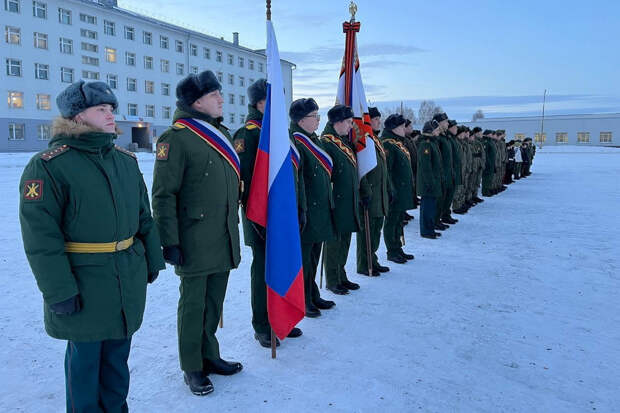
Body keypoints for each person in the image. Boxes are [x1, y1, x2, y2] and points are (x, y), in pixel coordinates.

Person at [19, 80, 165, 412]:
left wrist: (152, 259)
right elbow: (40, 237)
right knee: (84, 366)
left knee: (117, 361)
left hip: (125, 278)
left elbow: (143, 216)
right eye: (102, 109)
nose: (111, 115)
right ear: (77, 116)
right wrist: (58, 291)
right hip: (83, 283)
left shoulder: (125, 162)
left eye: (111, 108)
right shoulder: (49, 165)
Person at [152, 70, 243, 396]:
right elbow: (163, 194)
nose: (222, 99)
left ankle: (210, 356)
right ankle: (192, 365)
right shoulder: (176, 138)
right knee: (193, 305)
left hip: (221, 234)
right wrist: (169, 240)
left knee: (213, 302)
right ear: (197, 101)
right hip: (192, 239)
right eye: (215, 94)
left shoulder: (221, 134)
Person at [233, 79, 303, 349]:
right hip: (259, 217)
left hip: (282, 215)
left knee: (282, 265)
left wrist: (300, 208)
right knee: (262, 269)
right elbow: (244, 181)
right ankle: (262, 325)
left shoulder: (278, 133)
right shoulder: (248, 134)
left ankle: (280, 318)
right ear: (260, 103)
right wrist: (255, 219)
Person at [290, 98, 337, 318]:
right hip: (307, 208)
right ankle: (303, 299)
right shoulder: (296, 141)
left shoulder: (313, 139)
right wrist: (302, 208)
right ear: (301, 120)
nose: (318, 119)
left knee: (314, 255)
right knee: (304, 259)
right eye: (314, 116)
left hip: (320, 208)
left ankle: (313, 293)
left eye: (318, 115)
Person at [321, 105, 361, 295]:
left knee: (344, 238)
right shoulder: (327, 143)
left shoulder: (343, 142)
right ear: (337, 122)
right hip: (335, 199)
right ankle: (332, 278)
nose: (351, 126)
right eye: (348, 122)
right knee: (334, 242)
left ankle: (341, 274)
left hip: (348, 199)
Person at [357, 107, 390, 276]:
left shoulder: (376, 141)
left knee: (376, 229)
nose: (378, 121)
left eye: (378, 118)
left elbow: (383, 169)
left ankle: (373, 259)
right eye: (375, 119)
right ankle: (365, 263)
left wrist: (389, 188)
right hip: (370, 193)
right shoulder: (365, 141)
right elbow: (361, 169)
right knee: (367, 232)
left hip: (380, 194)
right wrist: (365, 191)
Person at [381, 114, 415, 263]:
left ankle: (398, 247)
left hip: (403, 189)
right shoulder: (388, 144)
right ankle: (392, 250)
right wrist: (391, 189)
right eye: (401, 126)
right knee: (392, 220)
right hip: (395, 190)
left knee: (399, 219)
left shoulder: (398, 143)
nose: (404, 129)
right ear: (394, 128)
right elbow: (387, 170)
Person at [416, 120, 444, 239]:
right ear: (430, 131)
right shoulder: (426, 144)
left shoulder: (432, 143)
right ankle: (426, 230)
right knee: (427, 208)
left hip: (433, 181)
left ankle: (430, 228)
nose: (439, 131)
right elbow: (426, 166)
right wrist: (430, 182)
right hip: (428, 183)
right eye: (437, 129)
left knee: (431, 207)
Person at [432, 113, 454, 230]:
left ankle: (442, 216)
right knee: (438, 200)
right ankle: (435, 220)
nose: (448, 123)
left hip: (447, 172)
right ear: (439, 123)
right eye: (445, 121)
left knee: (445, 198)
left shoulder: (445, 137)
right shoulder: (438, 138)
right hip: (441, 174)